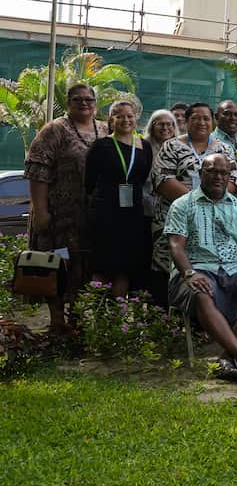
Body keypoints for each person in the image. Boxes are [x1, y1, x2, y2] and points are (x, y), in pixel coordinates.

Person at [165, 154, 237, 382]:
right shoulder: (183, 204)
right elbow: (176, 245)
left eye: (224, 172)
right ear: (200, 173)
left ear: (229, 176)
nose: (218, 176)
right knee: (202, 292)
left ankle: (227, 356)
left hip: (234, 270)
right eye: (212, 171)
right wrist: (189, 273)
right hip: (196, 268)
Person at [24, 84, 110, 336]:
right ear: (68, 103)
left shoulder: (105, 129)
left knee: (87, 266)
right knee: (58, 265)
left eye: (89, 99)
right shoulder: (54, 130)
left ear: (96, 103)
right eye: (77, 99)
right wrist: (41, 211)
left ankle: (77, 318)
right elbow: (37, 171)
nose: (84, 104)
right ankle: (57, 321)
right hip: (57, 216)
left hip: (92, 217)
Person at [150, 103, 237, 276]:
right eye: (196, 118)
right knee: (167, 271)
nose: (201, 122)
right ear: (186, 121)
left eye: (206, 118)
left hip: (214, 220)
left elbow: (234, 182)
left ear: (212, 122)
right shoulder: (171, 146)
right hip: (174, 218)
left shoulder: (224, 149)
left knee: (208, 274)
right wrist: (198, 202)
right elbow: (163, 181)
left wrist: (207, 206)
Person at [83, 100, 153, 297]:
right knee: (102, 265)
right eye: (120, 116)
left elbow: (145, 177)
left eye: (130, 116)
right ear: (111, 119)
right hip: (106, 214)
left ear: (136, 118)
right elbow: (88, 182)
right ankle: (92, 315)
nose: (126, 120)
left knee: (125, 268)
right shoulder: (101, 146)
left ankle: (116, 319)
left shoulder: (144, 146)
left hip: (133, 215)